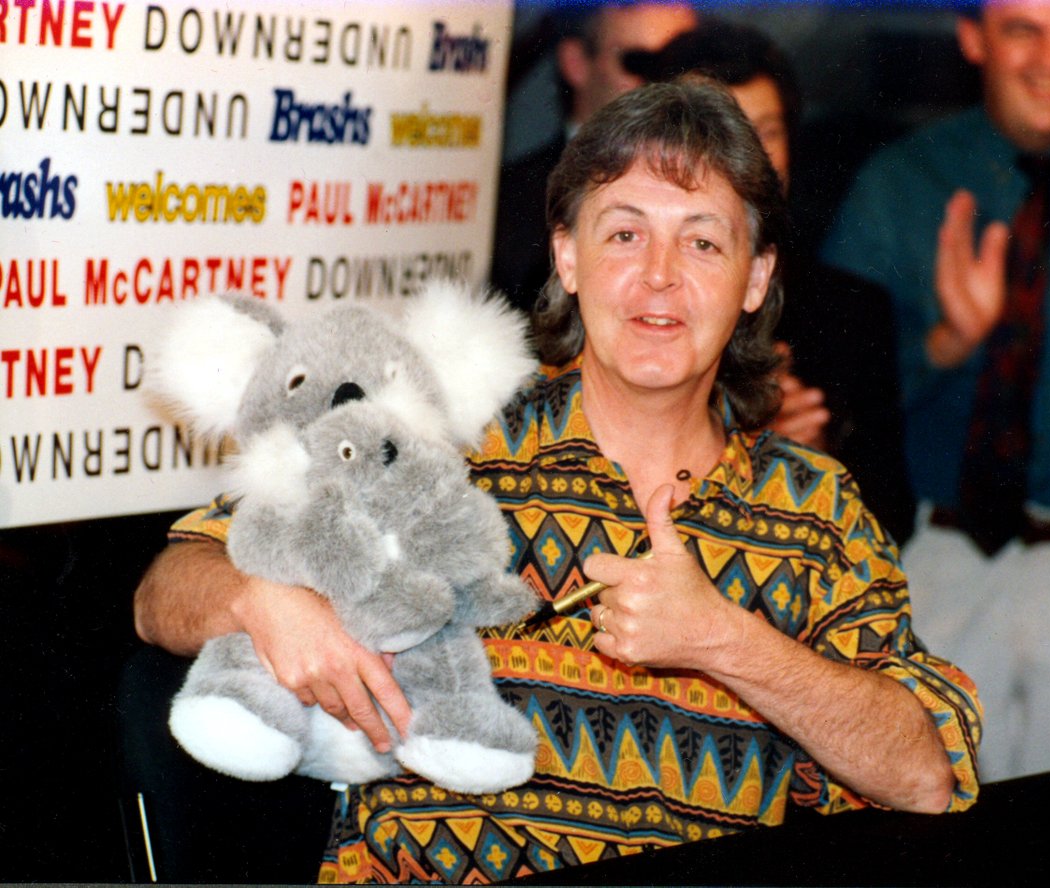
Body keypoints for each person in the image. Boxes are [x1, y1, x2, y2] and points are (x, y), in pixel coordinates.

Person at [135, 81, 981, 884]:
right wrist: (263, 601)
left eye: (702, 241)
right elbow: (167, 588)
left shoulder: (815, 510)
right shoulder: (441, 436)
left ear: (755, 280)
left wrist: (722, 640)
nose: (659, 275)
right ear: (567, 257)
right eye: (623, 234)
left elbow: (928, 775)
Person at [822, 0, 1050, 782]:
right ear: (972, 39)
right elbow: (825, 398)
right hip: (931, 564)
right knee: (920, 814)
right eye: (1023, 28)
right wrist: (944, 344)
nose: (1049, 60)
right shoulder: (900, 183)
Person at [625, 18, 916, 540]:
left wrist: (810, 461)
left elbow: (893, 521)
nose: (746, 159)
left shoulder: (850, 309)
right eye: (714, 132)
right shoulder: (610, 291)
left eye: (766, 132)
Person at [489, 1, 698, 315]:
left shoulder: (722, 191)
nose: (663, 84)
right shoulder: (508, 203)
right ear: (576, 63)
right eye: (639, 62)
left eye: (681, 63)